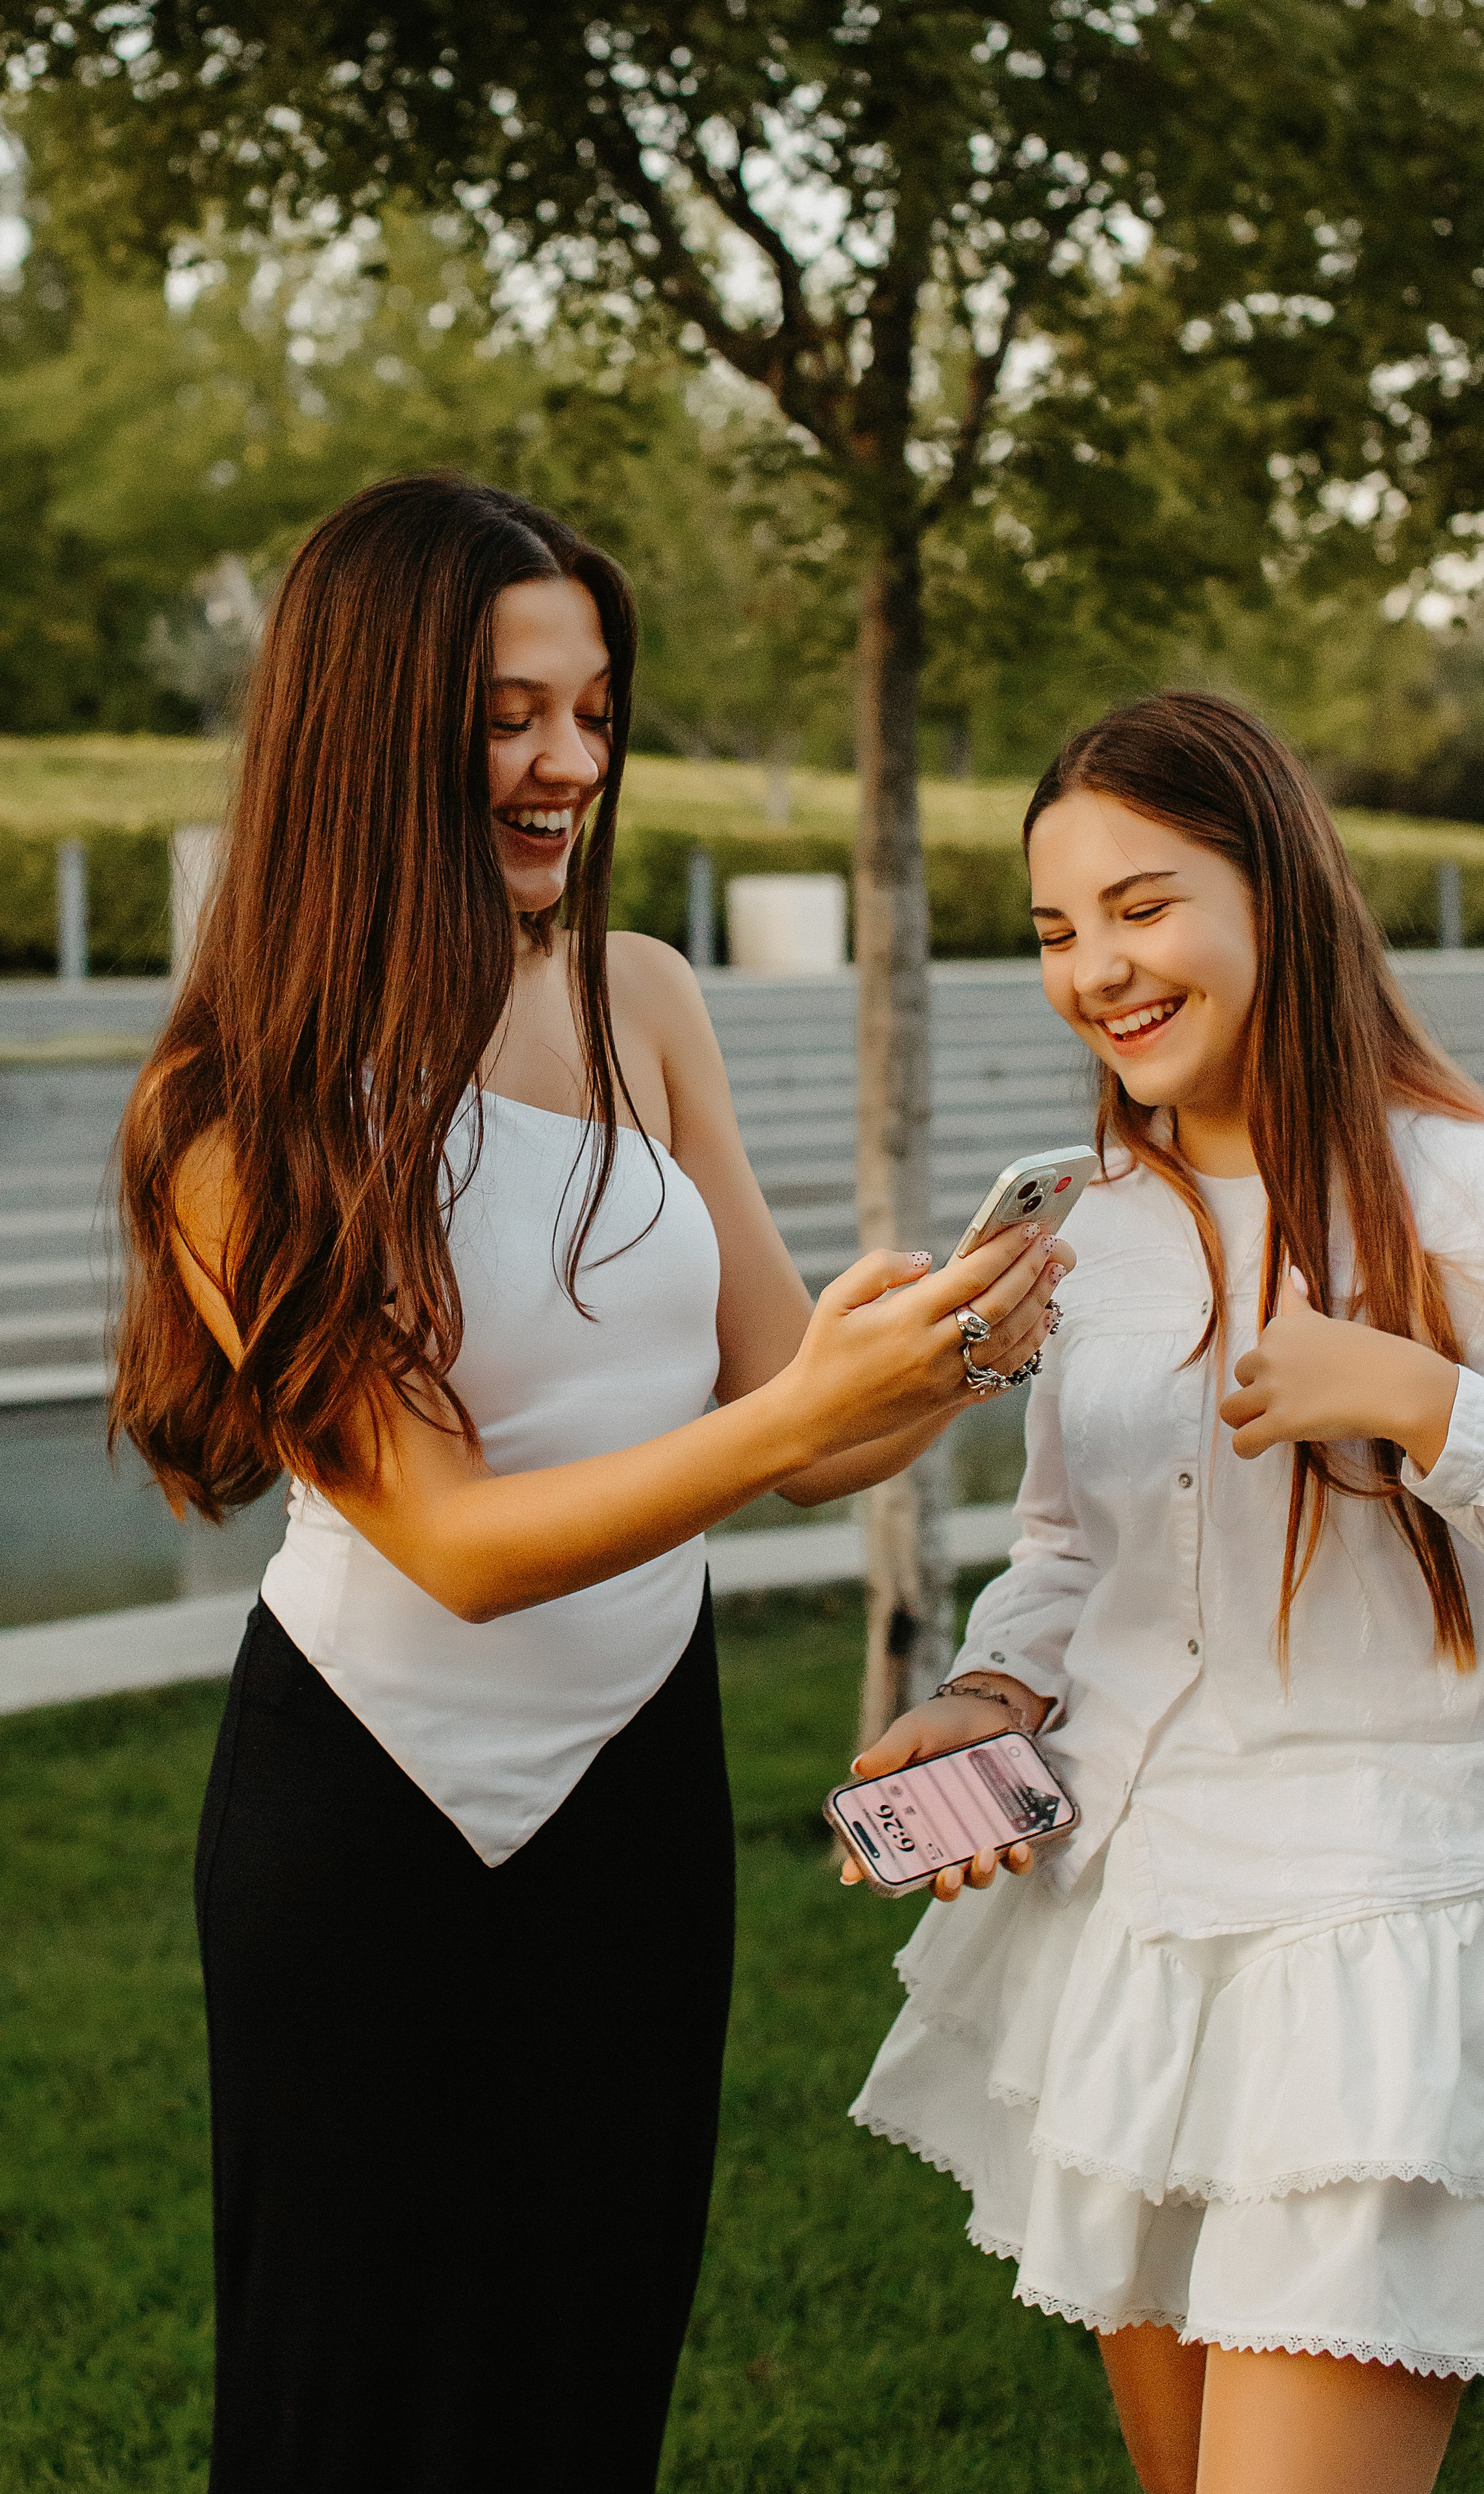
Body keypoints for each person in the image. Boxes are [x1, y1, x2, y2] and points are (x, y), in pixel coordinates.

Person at [112, 472, 1068, 2493]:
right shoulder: (234, 1108)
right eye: (508, 717)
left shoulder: (645, 997)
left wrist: (970, 1336)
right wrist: (806, 1417)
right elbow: (453, 1540)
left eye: (596, 711)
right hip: (370, 1814)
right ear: (372, 735)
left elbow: (801, 1417)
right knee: (363, 2401)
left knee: (589, 2373)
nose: (569, 765)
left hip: (643, 1789)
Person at [844, 692, 1484, 2494]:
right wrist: (988, 1702)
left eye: (1144, 907)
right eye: (1058, 929)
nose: (1097, 969)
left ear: (1278, 893)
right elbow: (1071, 1551)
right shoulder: (1097, 1225)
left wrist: (1435, 1409)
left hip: (1392, 1950)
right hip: (1137, 1941)